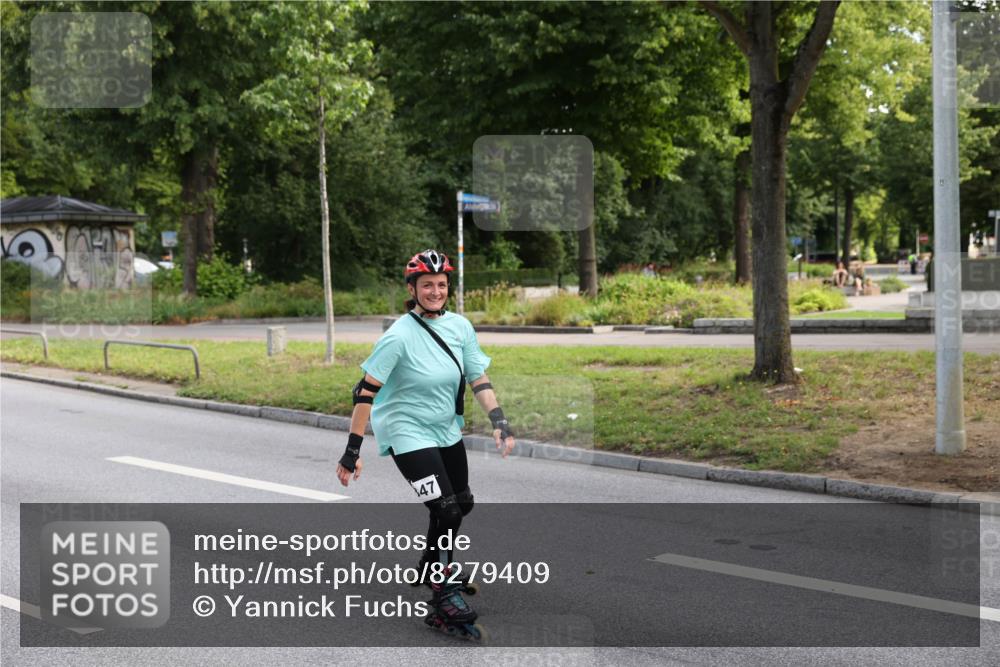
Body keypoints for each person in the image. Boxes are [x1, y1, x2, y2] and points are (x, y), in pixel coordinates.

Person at [335, 249, 515, 631]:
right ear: (412, 289)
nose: (435, 291)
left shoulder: (460, 327)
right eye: (427, 285)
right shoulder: (398, 336)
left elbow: (478, 378)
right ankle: (442, 598)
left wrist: (499, 420)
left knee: (461, 503)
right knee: (446, 510)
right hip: (406, 431)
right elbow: (364, 393)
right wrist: (352, 452)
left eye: (441, 284)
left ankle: (432, 564)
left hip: (445, 427)